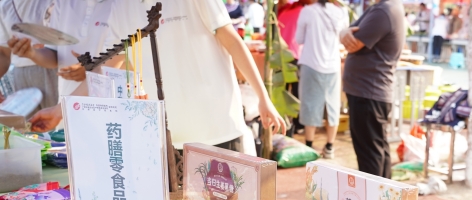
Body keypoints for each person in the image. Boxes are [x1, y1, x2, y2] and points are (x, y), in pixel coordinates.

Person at [29, 0, 286, 152]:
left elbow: (232, 41)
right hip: (166, 141)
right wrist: (60, 110)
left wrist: (264, 99)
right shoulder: (121, 7)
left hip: (220, 130)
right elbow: (107, 68)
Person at [340, 0, 404, 178]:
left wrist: (344, 33)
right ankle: (384, 193)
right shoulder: (381, 8)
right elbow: (348, 32)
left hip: (368, 92)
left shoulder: (383, 11)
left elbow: (353, 42)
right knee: (377, 149)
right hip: (368, 91)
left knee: (370, 154)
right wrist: (344, 32)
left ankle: (375, 194)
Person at [6, 0, 118, 102]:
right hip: (66, 104)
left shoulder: (121, 5)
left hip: (109, 104)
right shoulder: (62, 3)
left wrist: (93, 70)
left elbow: (124, 59)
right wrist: (31, 53)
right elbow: (54, 54)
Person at [295, 0, 347, 158]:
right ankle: (330, 146)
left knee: (310, 105)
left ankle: (309, 146)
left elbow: (299, 39)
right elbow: (343, 38)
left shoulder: (308, 11)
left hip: (311, 64)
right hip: (333, 66)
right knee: (332, 106)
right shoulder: (340, 12)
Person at [0, 0, 58, 111]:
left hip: (57, 69)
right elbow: (3, 52)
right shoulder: (4, 4)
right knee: (30, 122)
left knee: (63, 120)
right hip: (22, 76)